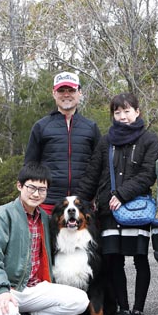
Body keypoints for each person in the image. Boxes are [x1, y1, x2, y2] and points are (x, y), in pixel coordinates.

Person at [0, 162, 90, 315]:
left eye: (42, 190)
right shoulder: (2, 216)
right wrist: (1, 290)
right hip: (2, 287)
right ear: (19, 186)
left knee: (80, 300)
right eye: (31, 187)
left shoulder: (43, 218)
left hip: (32, 287)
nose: (36, 194)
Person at [77, 93, 158, 315]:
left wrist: (122, 194)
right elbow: (93, 174)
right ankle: (123, 309)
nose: (122, 116)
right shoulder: (106, 142)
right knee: (113, 261)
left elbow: (148, 174)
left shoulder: (149, 139)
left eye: (127, 111)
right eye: (117, 112)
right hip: (108, 211)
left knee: (140, 259)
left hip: (136, 209)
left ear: (137, 112)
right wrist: (78, 203)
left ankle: (138, 311)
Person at [24, 71, 101, 214]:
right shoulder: (41, 127)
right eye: (61, 90)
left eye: (71, 90)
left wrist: (95, 197)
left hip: (82, 204)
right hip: (47, 203)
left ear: (79, 93)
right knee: (46, 238)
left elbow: (99, 167)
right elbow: (30, 166)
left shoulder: (91, 127)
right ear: (54, 93)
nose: (66, 94)